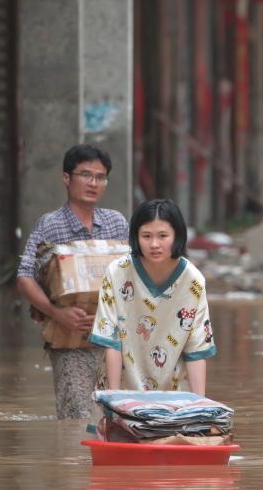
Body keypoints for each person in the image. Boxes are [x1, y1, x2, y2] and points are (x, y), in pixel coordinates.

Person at [16, 143, 129, 419]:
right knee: (76, 416)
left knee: (117, 414)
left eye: (100, 177)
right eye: (86, 175)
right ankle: (71, 463)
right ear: (67, 178)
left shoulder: (116, 223)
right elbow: (24, 276)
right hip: (70, 339)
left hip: (114, 339)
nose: (93, 183)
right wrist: (57, 313)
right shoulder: (51, 225)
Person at [90, 199, 216, 395]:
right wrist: (114, 400)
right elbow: (111, 340)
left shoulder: (193, 281)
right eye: (146, 236)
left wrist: (199, 406)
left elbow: (196, 349)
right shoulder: (117, 272)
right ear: (136, 237)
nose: (154, 244)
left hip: (173, 396)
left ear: (177, 236)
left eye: (163, 236)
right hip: (120, 388)